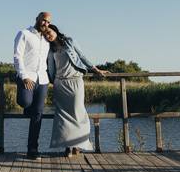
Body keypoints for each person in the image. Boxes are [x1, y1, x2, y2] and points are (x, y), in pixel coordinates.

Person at [43, 24, 109, 157]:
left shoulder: (69, 41)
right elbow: (49, 67)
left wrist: (95, 69)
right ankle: (68, 146)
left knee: (78, 113)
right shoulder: (49, 49)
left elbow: (82, 56)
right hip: (60, 84)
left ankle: (78, 144)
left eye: (49, 32)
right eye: (45, 35)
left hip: (75, 81)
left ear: (55, 30)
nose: (47, 35)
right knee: (63, 116)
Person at [13, 12, 52, 159]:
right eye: (43, 20)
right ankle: (26, 103)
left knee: (38, 114)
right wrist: (23, 76)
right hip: (27, 77)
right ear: (37, 19)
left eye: (48, 22)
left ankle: (32, 149)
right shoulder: (24, 34)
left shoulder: (47, 39)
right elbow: (17, 56)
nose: (45, 24)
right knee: (25, 102)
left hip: (42, 79)